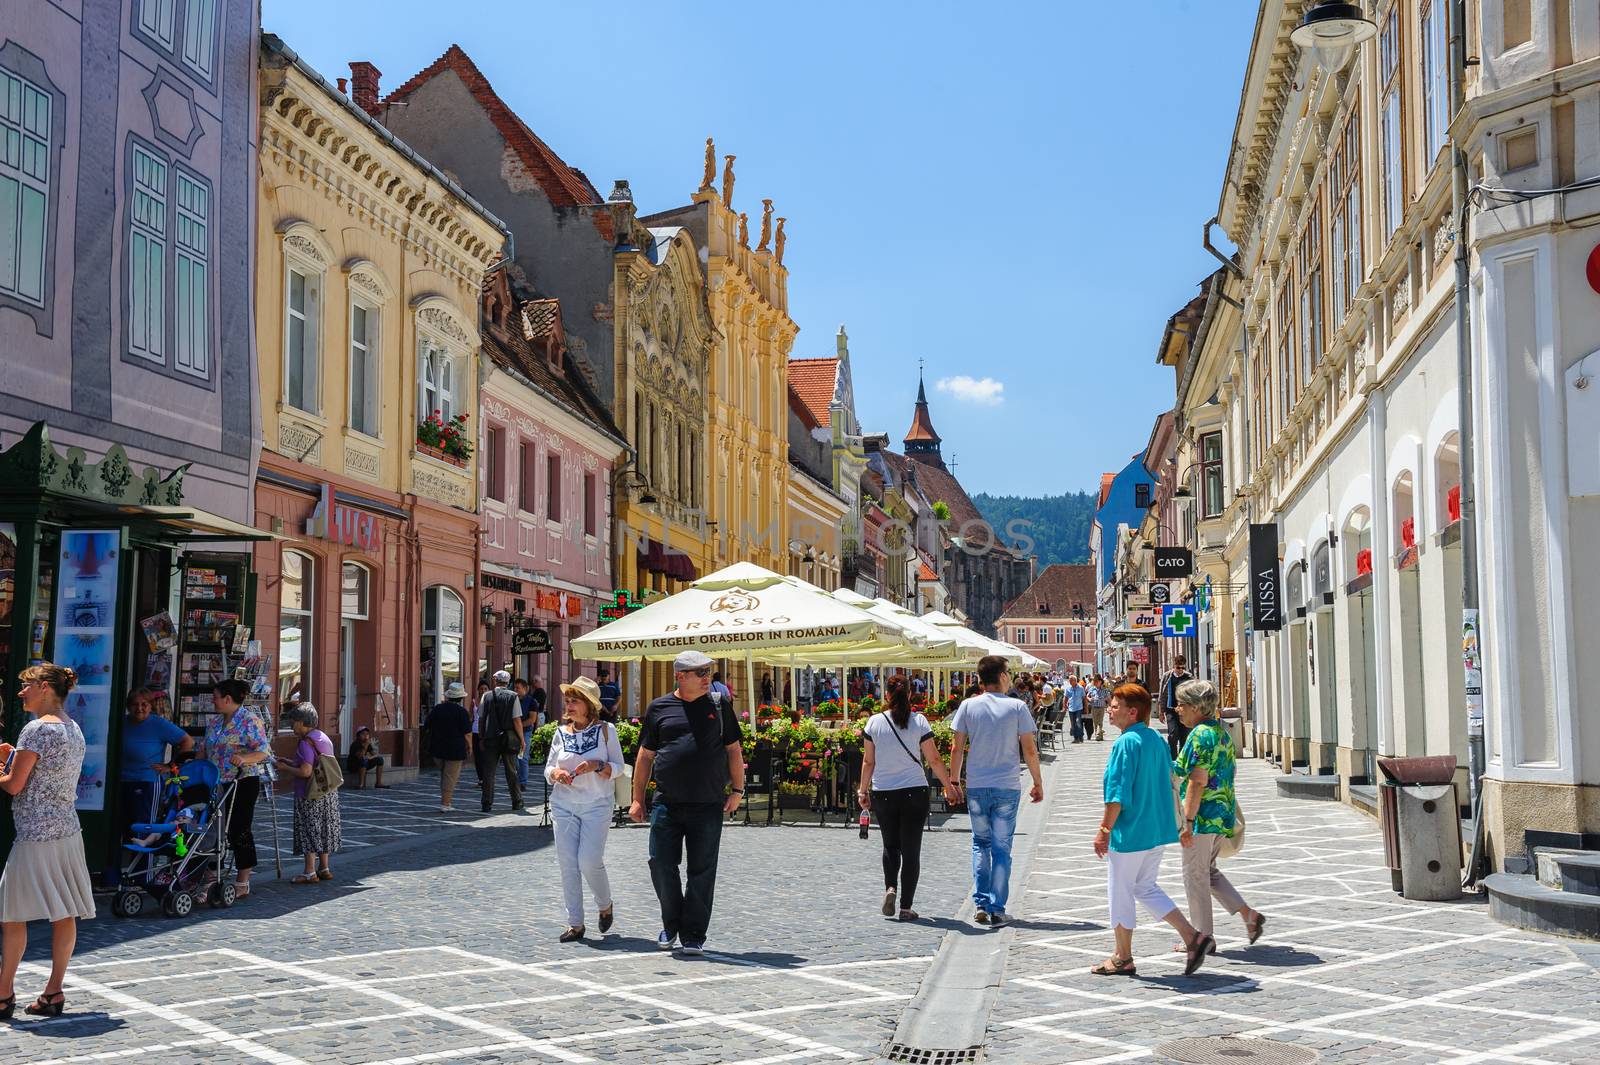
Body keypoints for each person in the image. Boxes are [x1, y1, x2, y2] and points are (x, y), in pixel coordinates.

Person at [1092, 683, 1213, 977]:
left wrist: (1105, 829)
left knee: (1120, 892)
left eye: (1115, 705)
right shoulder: (1156, 740)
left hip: (1130, 830)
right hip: (1157, 828)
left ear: (1132, 712)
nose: (1110, 709)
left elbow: (1117, 793)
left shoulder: (1125, 743)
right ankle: (1193, 937)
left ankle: (1122, 956)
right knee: (1144, 887)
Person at [629, 649, 744, 956]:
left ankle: (693, 933)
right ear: (680, 676)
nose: (708, 678)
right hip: (667, 802)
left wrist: (738, 791)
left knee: (702, 870)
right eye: (701, 673)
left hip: (708, 803)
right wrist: (637, 799)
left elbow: (733, 750)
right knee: (660, 863)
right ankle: (671, 922)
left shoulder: (719, 706)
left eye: (709, 672)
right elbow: (645, 756)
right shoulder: (659, 708)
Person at [0, 664, 95, 1020]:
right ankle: (53, 992)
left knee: (10, 915)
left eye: (26, 686)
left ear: (43, 687)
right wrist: (10, 760)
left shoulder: (36, 729)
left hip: (35, 834)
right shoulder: (73, 729)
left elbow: (14, 785)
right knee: (64, 912)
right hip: (67, 831)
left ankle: (3, 993)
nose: (21, 692)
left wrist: (3, 768)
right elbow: (44, 776)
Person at [949, 655, 1044, 926]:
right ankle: (997, 907)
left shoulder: (968, 706)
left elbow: (957, 748)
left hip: (977, 785)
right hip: (1007, 786)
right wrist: (1037, 782)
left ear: (979, 679)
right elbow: (1029, 750)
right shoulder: (1017, 707)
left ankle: (980, 903)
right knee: (1002, 848)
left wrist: (954, 783)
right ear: (1002, 676)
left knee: (980, 844)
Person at [858, 677, 961, 921]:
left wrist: (863, 790)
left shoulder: (874, 722)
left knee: (890, 846)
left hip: (884, 792)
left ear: (886, 695)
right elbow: (933, 759)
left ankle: (890, 888)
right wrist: (949, 787)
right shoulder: (919, 721)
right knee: (911, 851)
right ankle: (906, 907)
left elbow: (868, 761)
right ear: (911, 694)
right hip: (915, 791)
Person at [1173, 679, 1265, 950]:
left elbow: (1197, 780)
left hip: (1202, 816)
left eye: (1181, 705)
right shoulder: (1220, 732)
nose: (1178, 709)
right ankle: (1249, 916)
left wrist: (1187, 821)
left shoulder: (1200, 734)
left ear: (1195, 707)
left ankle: (1203, 937)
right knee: (1207, 871)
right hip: (1220, 812)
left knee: (1194, 874)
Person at [545, 676, 623, 942]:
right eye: (567, 701)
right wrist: (556, 773)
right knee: (568, 864)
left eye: (574, 701)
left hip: (596, 804)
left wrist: (596, 766)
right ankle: (575, 923)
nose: (569, 705)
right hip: (564, 804)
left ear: (589, 705)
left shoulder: (605, 731)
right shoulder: (560, 733)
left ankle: (604, 904)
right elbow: (548, 768)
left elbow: (620, 766)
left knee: (588, 861)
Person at [200, 678, 274, 901]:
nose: (213, 701)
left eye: (215, 697)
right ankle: (211, 877)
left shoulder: (250, 721)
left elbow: (264, 752)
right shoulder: (214, 723)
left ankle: (243, 881)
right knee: (211, 829)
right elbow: (204, 750)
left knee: (238, 829)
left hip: (241, 781)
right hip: (214, 782)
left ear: (227, 699)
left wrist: (243, 758)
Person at [115, 687, 193, 882]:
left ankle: (144, 877)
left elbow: (187, 741)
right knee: (124, 827)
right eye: (134, 704)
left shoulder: (158, 724)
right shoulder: (122, 723)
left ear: (150, 706)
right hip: (122, 780)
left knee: (144, 827)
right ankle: (123, 873)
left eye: (144, 704)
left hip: (147, 781)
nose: (139, 708)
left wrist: (171, 765)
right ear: (128, 707)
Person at [275, 703, 341, 884]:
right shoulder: (323, 737)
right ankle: (324, 867)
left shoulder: (305, 742)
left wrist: (285, 768)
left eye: (294, 722)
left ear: (302, 722)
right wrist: (290, 761)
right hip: (327, 792)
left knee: (309, 829)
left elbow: (306, 772)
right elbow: (316, 762)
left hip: (309, 793)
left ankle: (309, 871)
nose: (291, 726)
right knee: (323, 829)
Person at [477, 670, 525, 812]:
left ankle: (486, 803)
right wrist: (522, 739)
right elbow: (517, 720)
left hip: (490, 738)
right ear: (508, 682)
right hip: (508, 739)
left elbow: (481, 719)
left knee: (489, 772)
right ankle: (517, 801)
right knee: (511, 771)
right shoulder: (513, 696)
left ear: (495, 681)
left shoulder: (486, 696)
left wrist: (481, 736)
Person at [424, 681, 474, 811]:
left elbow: (427, 725)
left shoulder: (438, 708)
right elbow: (467, 733)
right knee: (450, 777)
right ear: (461, 697)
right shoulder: (461, 712)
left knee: (444, 774)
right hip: (455, 749)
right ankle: (445, 803)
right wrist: (470, 746)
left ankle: (445, 801)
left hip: (437, 747)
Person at [1160, 655, 1194, 762]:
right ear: (1174, 666)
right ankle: (1173, 759)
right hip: (1171, 709)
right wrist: (1161, 711)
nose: (1180, 670)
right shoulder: (1167, 676)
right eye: (1178, 667)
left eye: (1183, 668)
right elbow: (1162, 693)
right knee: (1173, 734)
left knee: (1184, 735)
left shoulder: (1189, 677)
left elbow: (1194, 694)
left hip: (1185, 711)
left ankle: (1182, 759)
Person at [514, 679, 536, 789]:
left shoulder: (531, 701)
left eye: (518, 688)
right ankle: (516, 780)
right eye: (515, 688)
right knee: (514, 758)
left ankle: (522, 782)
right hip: (513, 732)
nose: (515, 690)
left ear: (525, 689)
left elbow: (532, 719)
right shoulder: (513, 699)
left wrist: (519, 725)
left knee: (523, 757)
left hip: (525, 732)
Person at [1088, 675, 1111, 741]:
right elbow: (1087, 696)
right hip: (1094, 707)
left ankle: (1097, 735)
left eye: (1097, 681)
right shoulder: (1092, 689)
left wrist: (1109, 705)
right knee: (1095, 722)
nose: (1095, 682)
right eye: (1094, 681)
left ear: (1100, 682)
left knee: (1100, 721)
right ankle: (1099, 734)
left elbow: (1108, 698)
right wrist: (1090, 699)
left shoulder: (1104, 690)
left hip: (1101, 708)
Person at [1065, 675, 1087, 743]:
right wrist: (1064, 705)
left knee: (1078, 722)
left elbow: (1084, 698)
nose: (1070, 681)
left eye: (1071, 680)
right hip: (1071, 708)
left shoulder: (1081, 688)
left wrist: (1086, 708)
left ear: (1075, 681)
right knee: (1073, 723)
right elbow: (1065, 697)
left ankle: (1080, 736)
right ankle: (1075, 738)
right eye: (1069, 680)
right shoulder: (1068, 688)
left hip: (1079, 708)